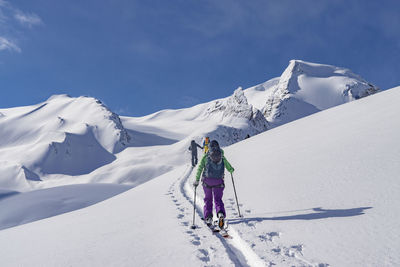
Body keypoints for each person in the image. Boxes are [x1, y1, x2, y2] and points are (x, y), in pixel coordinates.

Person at [193, 140, 234, 229]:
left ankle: (208, 217)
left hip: (207, 181)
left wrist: (196, 180)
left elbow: (200, 168)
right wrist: (231, 170)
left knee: (208, 199)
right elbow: (228, 167)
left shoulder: (206, 156)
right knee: (218, 199)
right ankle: (220, 214)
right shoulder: (222, 156)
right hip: (218, 181)